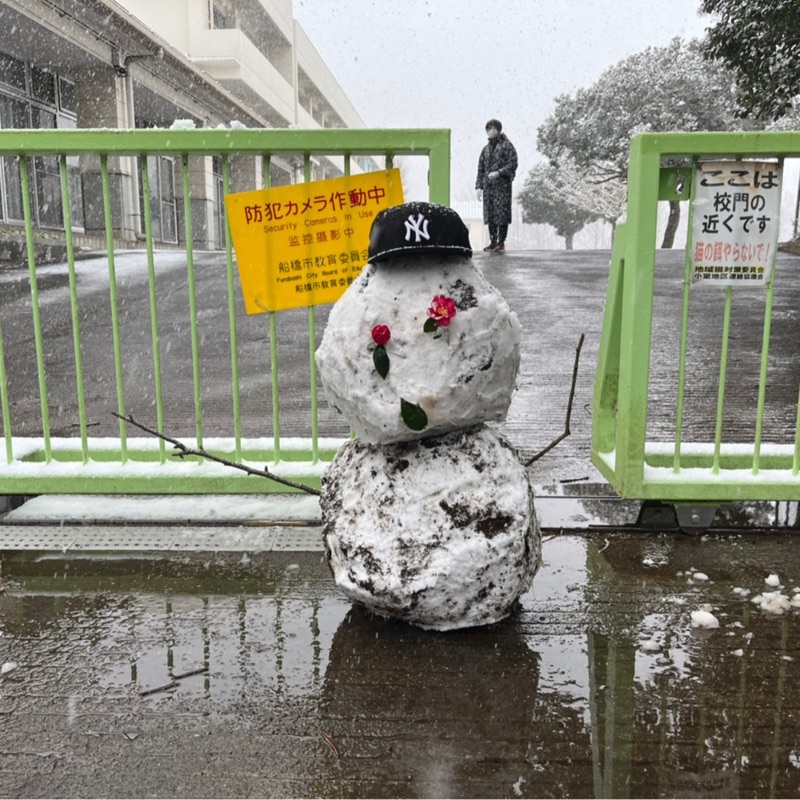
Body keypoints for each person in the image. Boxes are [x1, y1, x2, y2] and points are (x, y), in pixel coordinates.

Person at [475, 119, 518, 252]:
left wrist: (499, 173)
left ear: (499, 129)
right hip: (489, 188)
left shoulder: (507, 146)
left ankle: (501, 242)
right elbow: (480, 169)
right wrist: (479, 186)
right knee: (491, 214)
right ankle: (493, 241)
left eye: (494, 128)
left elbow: (513, 163)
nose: (491, 130)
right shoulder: (485, 150)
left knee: (502, 214)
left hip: (502, 187)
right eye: (489, 128)